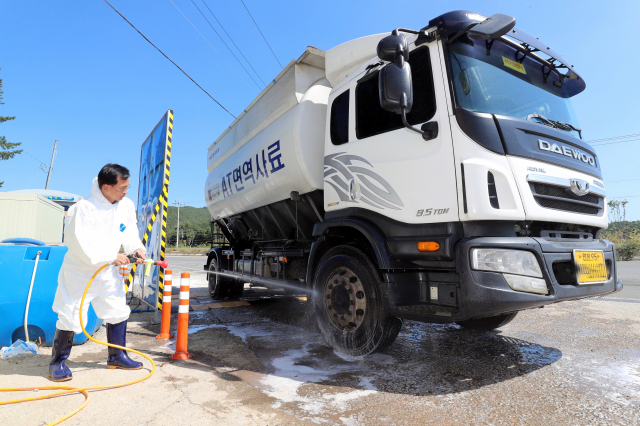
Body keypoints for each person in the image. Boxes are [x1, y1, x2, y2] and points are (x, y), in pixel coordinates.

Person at [49, 164, 146, 382]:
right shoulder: (82, 209)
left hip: (108, 272)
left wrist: (135, 249)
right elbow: (78, 243)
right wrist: (110, 256)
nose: (126, 191)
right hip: (81, 271)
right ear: (106, 187)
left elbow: (129, 231)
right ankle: (57, 363)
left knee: (118, 309)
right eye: (122, 187)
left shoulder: (125, 205)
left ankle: (117, 356)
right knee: (70, 314)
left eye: (127, 187)